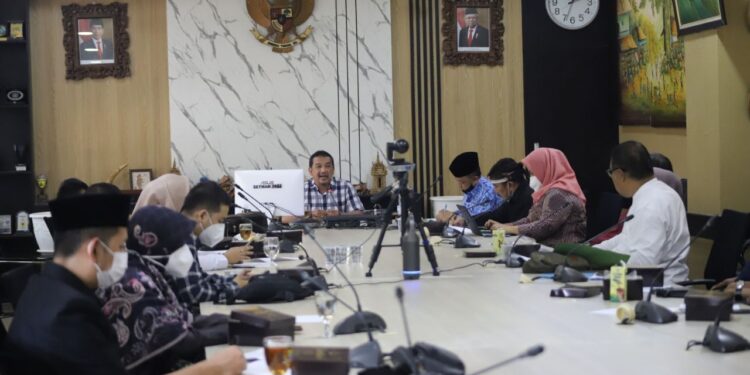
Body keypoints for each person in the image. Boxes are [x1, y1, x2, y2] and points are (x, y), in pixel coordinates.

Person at [2, 193, 246, 374]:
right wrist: (215, 367)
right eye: (120, 247)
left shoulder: (41, 288)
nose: (125, 257)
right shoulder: (70, 314)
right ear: (95, 249)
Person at [99, 206, 230, 374]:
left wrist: (238, 321)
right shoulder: (132, 282)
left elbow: (184, 320)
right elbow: (180, 340)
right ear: (157, 247)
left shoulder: (147, 269)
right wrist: (238, 328)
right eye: (179, 245)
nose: (185, 251)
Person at [596, 141, 690, 286]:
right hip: (646, 284)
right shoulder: (650, 194)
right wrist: (592, 252)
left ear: (620, 174)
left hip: (660, 290)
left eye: (610, 172)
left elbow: (644, 261)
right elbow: (626, 239)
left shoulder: (652, 203)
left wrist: (604, 264)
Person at [487, 148, 587, 246]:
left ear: (546, 169)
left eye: (534, 173)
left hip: (562, 253)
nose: (532, 177)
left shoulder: (560, 194)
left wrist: (507, 228)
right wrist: (503, 226)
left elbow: (544, 227)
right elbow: (530, 219)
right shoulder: (549, 191)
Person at [174, 181, 252, 306]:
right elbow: (195, 293)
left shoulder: (181, 229)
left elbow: (199, 277)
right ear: (203, 215)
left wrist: (231, 280)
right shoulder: (178, 237)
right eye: (220, 220)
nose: (221, 225)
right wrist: (233, 286)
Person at [436, 152, 502, 224]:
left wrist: (452, 217)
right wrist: (449, 214)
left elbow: (477, 219)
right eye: (458, 181)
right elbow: (467, 211)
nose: (459, 186)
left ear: (475, 179)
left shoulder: (488, 192)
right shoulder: (471, 187)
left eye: (462, 182)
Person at [303, 150, 364, 218]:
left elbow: (360, 213)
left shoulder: (346, 186)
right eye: (319, 166)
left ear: (333, 170)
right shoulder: (302, 189)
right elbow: (290, 217)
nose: (323, 170)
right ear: (310, 171)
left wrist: (340, 214)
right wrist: (310, 214)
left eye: (328, 166)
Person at [478, 158, 534, 227]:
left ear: (510, 184)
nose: (495, 191)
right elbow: (494, 215)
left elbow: (521, 229)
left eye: (496, 186)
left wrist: (502, 227)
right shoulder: (513, 199)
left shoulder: (528, 199)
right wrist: (466, 221)